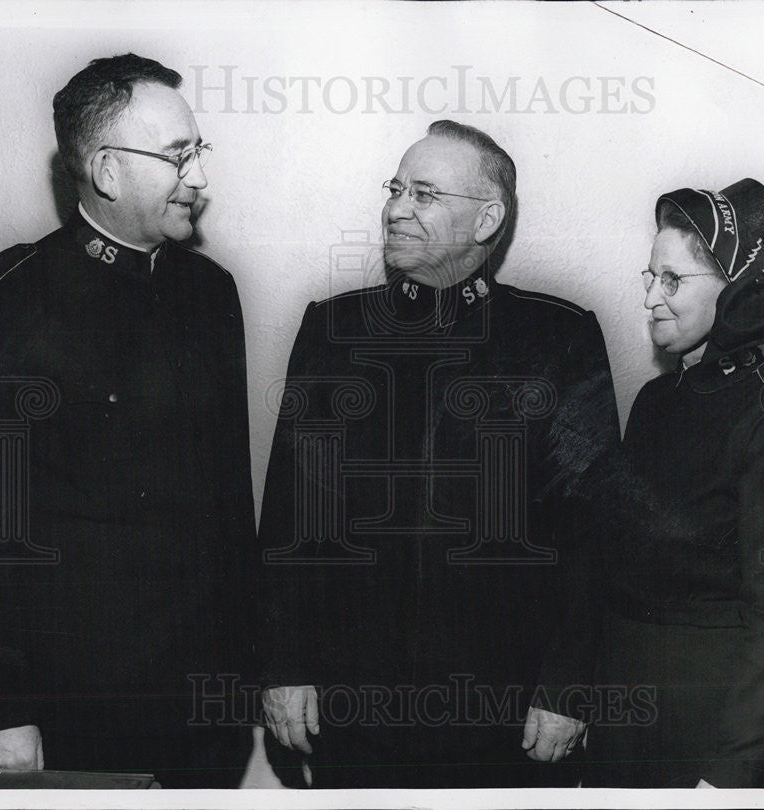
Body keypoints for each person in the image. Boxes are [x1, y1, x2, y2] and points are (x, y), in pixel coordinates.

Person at [0, 54, 257, 788]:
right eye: (178, 156)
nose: (198, 178)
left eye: (197, 153)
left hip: (201, 716)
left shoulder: (210, 293)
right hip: (69, 717)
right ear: (106, 169)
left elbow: (231, 508)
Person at [258, 120, 620, 788]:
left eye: (424, 194)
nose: (396, 207)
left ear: (487, 220)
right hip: (352, 712)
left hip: (503, 718)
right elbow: (290, 516)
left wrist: (566, 688)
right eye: (395, 188)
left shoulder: (556, 337)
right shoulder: (332, 331)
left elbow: (589, 531)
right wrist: (284, 667)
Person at [580, 179, 764, 787]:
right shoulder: (654, 400)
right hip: (630, 721)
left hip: (719, 735)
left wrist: (725, 779)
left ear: (737, 291)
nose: (650, 298)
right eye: (649, 276)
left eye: (672, 279)